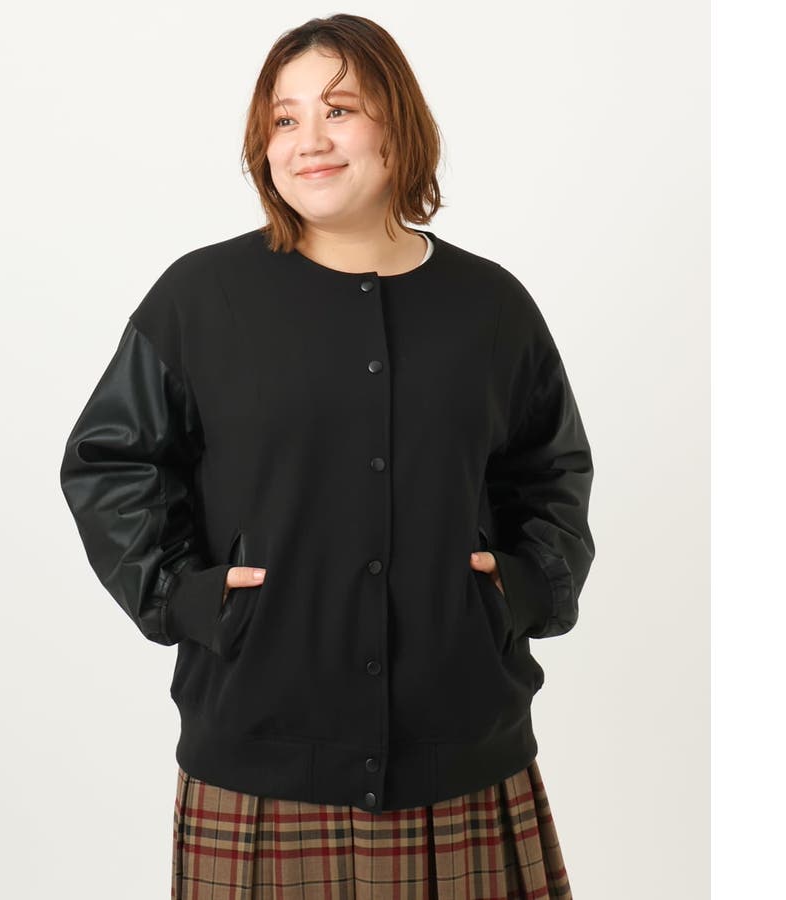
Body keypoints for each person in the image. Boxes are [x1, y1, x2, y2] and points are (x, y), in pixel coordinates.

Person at [59, 13, 595, 900]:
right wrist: (182, 596)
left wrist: (525, 586)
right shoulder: (201, 297)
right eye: (284, 118)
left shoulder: (492, 306)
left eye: (338, 110)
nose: (308, 140)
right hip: (260, 754)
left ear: (398, 125)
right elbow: (111, 461)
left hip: (463, 750)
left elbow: (550, 471)